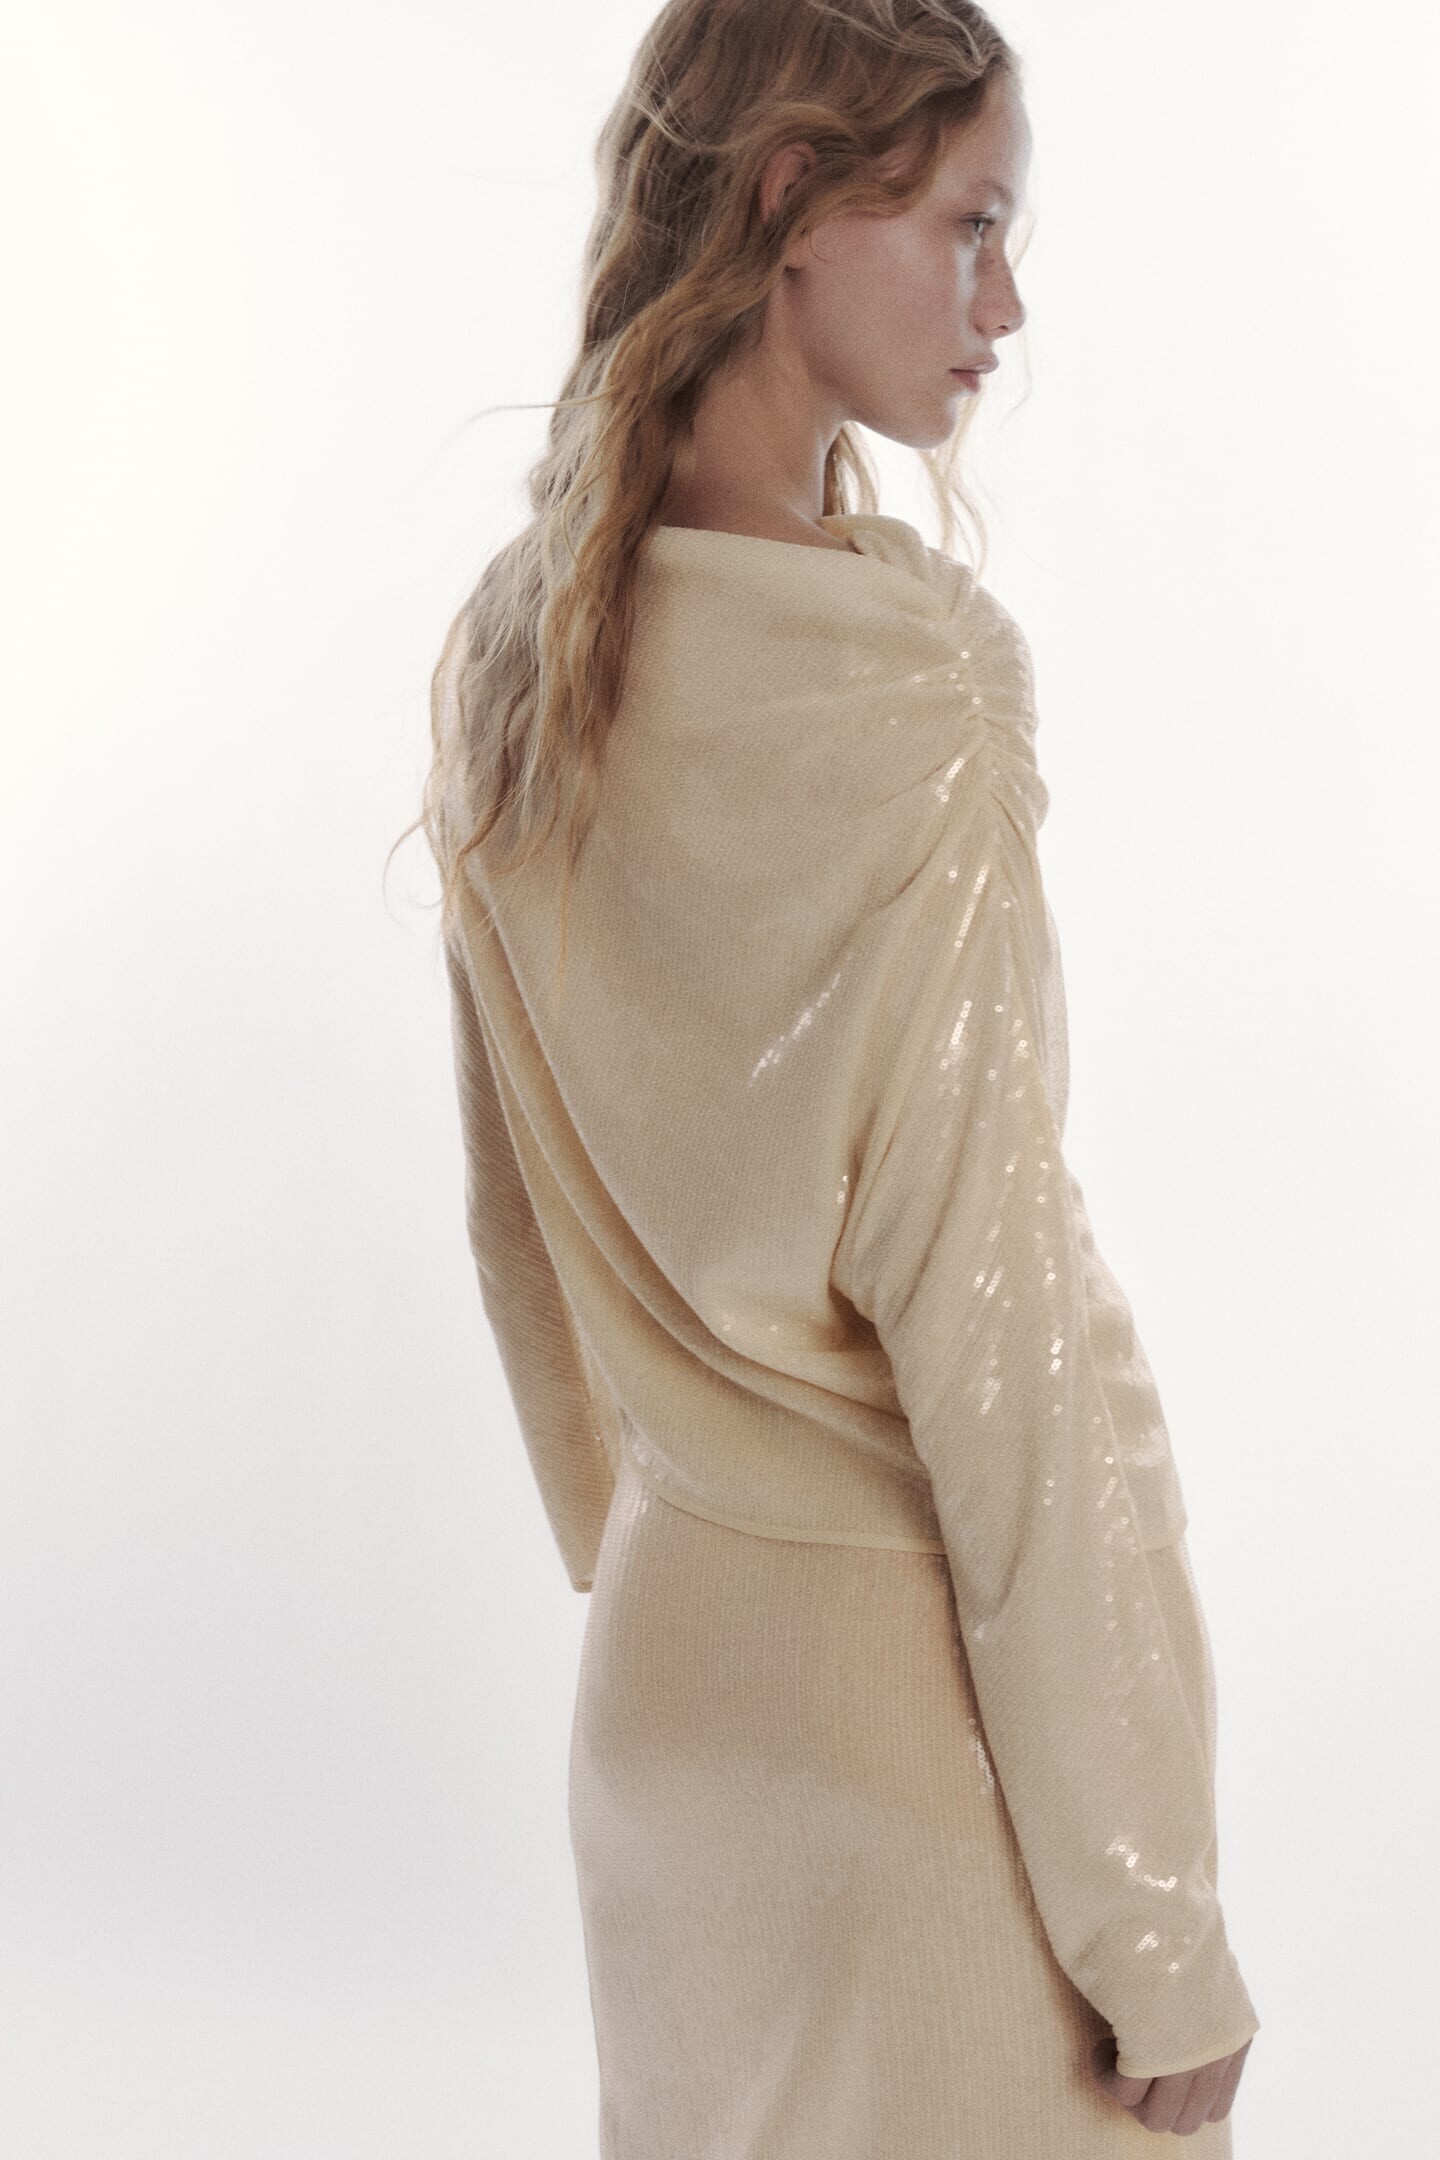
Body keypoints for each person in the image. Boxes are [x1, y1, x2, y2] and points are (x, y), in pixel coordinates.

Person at [405, 2, 1262, 2149]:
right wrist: (1153, 1909)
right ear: (792, 200)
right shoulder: (913, 698)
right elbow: (1005, 1332)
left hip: (665, 1719)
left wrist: (664, 1536)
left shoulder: (517, 649)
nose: (1008, 304)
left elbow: (516, 1234)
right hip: (915, 1761)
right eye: (971, 224)